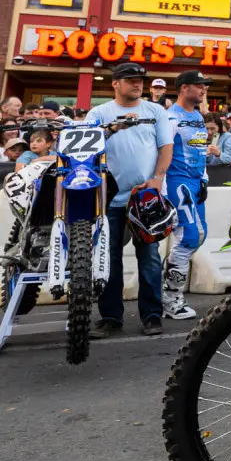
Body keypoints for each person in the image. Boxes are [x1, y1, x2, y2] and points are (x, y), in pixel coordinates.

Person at [86, 61, 173, 336]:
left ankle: (152, 315)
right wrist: (110, 130)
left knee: (149, 256)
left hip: (146, 195)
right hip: (108, 198)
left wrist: (158, 178)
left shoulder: (155, 110)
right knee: (108, 258)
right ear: (115, 83)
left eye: (140, 80)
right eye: (130, 80)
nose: (137, 84)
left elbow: (166, 147)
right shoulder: (98, 113)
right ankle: (111, 317)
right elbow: (85, 146)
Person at [162, 69, 212, 320]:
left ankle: (169, 281)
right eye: (199, 85)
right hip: (176, 181)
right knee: (190, 236)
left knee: (200, 236)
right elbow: (162, 153)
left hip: (195, 182)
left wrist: (203, 179)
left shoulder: (198, 117)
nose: (203, 89)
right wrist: (161, 186)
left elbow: (199, 148)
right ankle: (171, 299)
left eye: (205, 86)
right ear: (184, 88)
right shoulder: (169, 117)